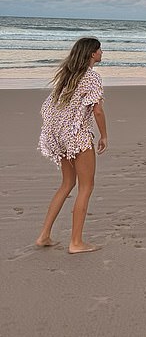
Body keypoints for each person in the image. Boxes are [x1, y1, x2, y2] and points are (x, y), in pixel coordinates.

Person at [36, 37, 108, 254]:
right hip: (78, 137)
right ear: (91, 54)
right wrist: (104, 135)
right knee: (86, 187)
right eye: (99, 50)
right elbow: (97, 110)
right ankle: (76, 242)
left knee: (67, 184)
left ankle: (44, 236)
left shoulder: (67, 78)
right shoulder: (93, 78)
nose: (102, 52)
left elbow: (51, 108)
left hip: (61, 136)